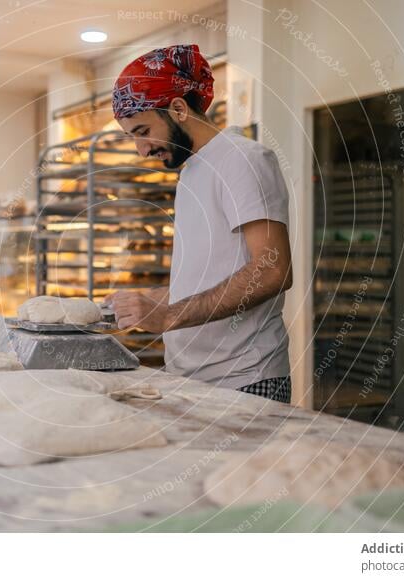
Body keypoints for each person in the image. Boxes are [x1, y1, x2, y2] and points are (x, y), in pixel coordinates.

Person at [107, 44, 293, 403]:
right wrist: (152, 298)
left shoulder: (243, 159)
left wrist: (170, 315)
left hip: (244, 378)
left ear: (178, 108)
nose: (141, 150)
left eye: (143, 131)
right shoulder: (192, 171)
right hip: (193, 376)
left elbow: (273, 271)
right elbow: (212, 274)